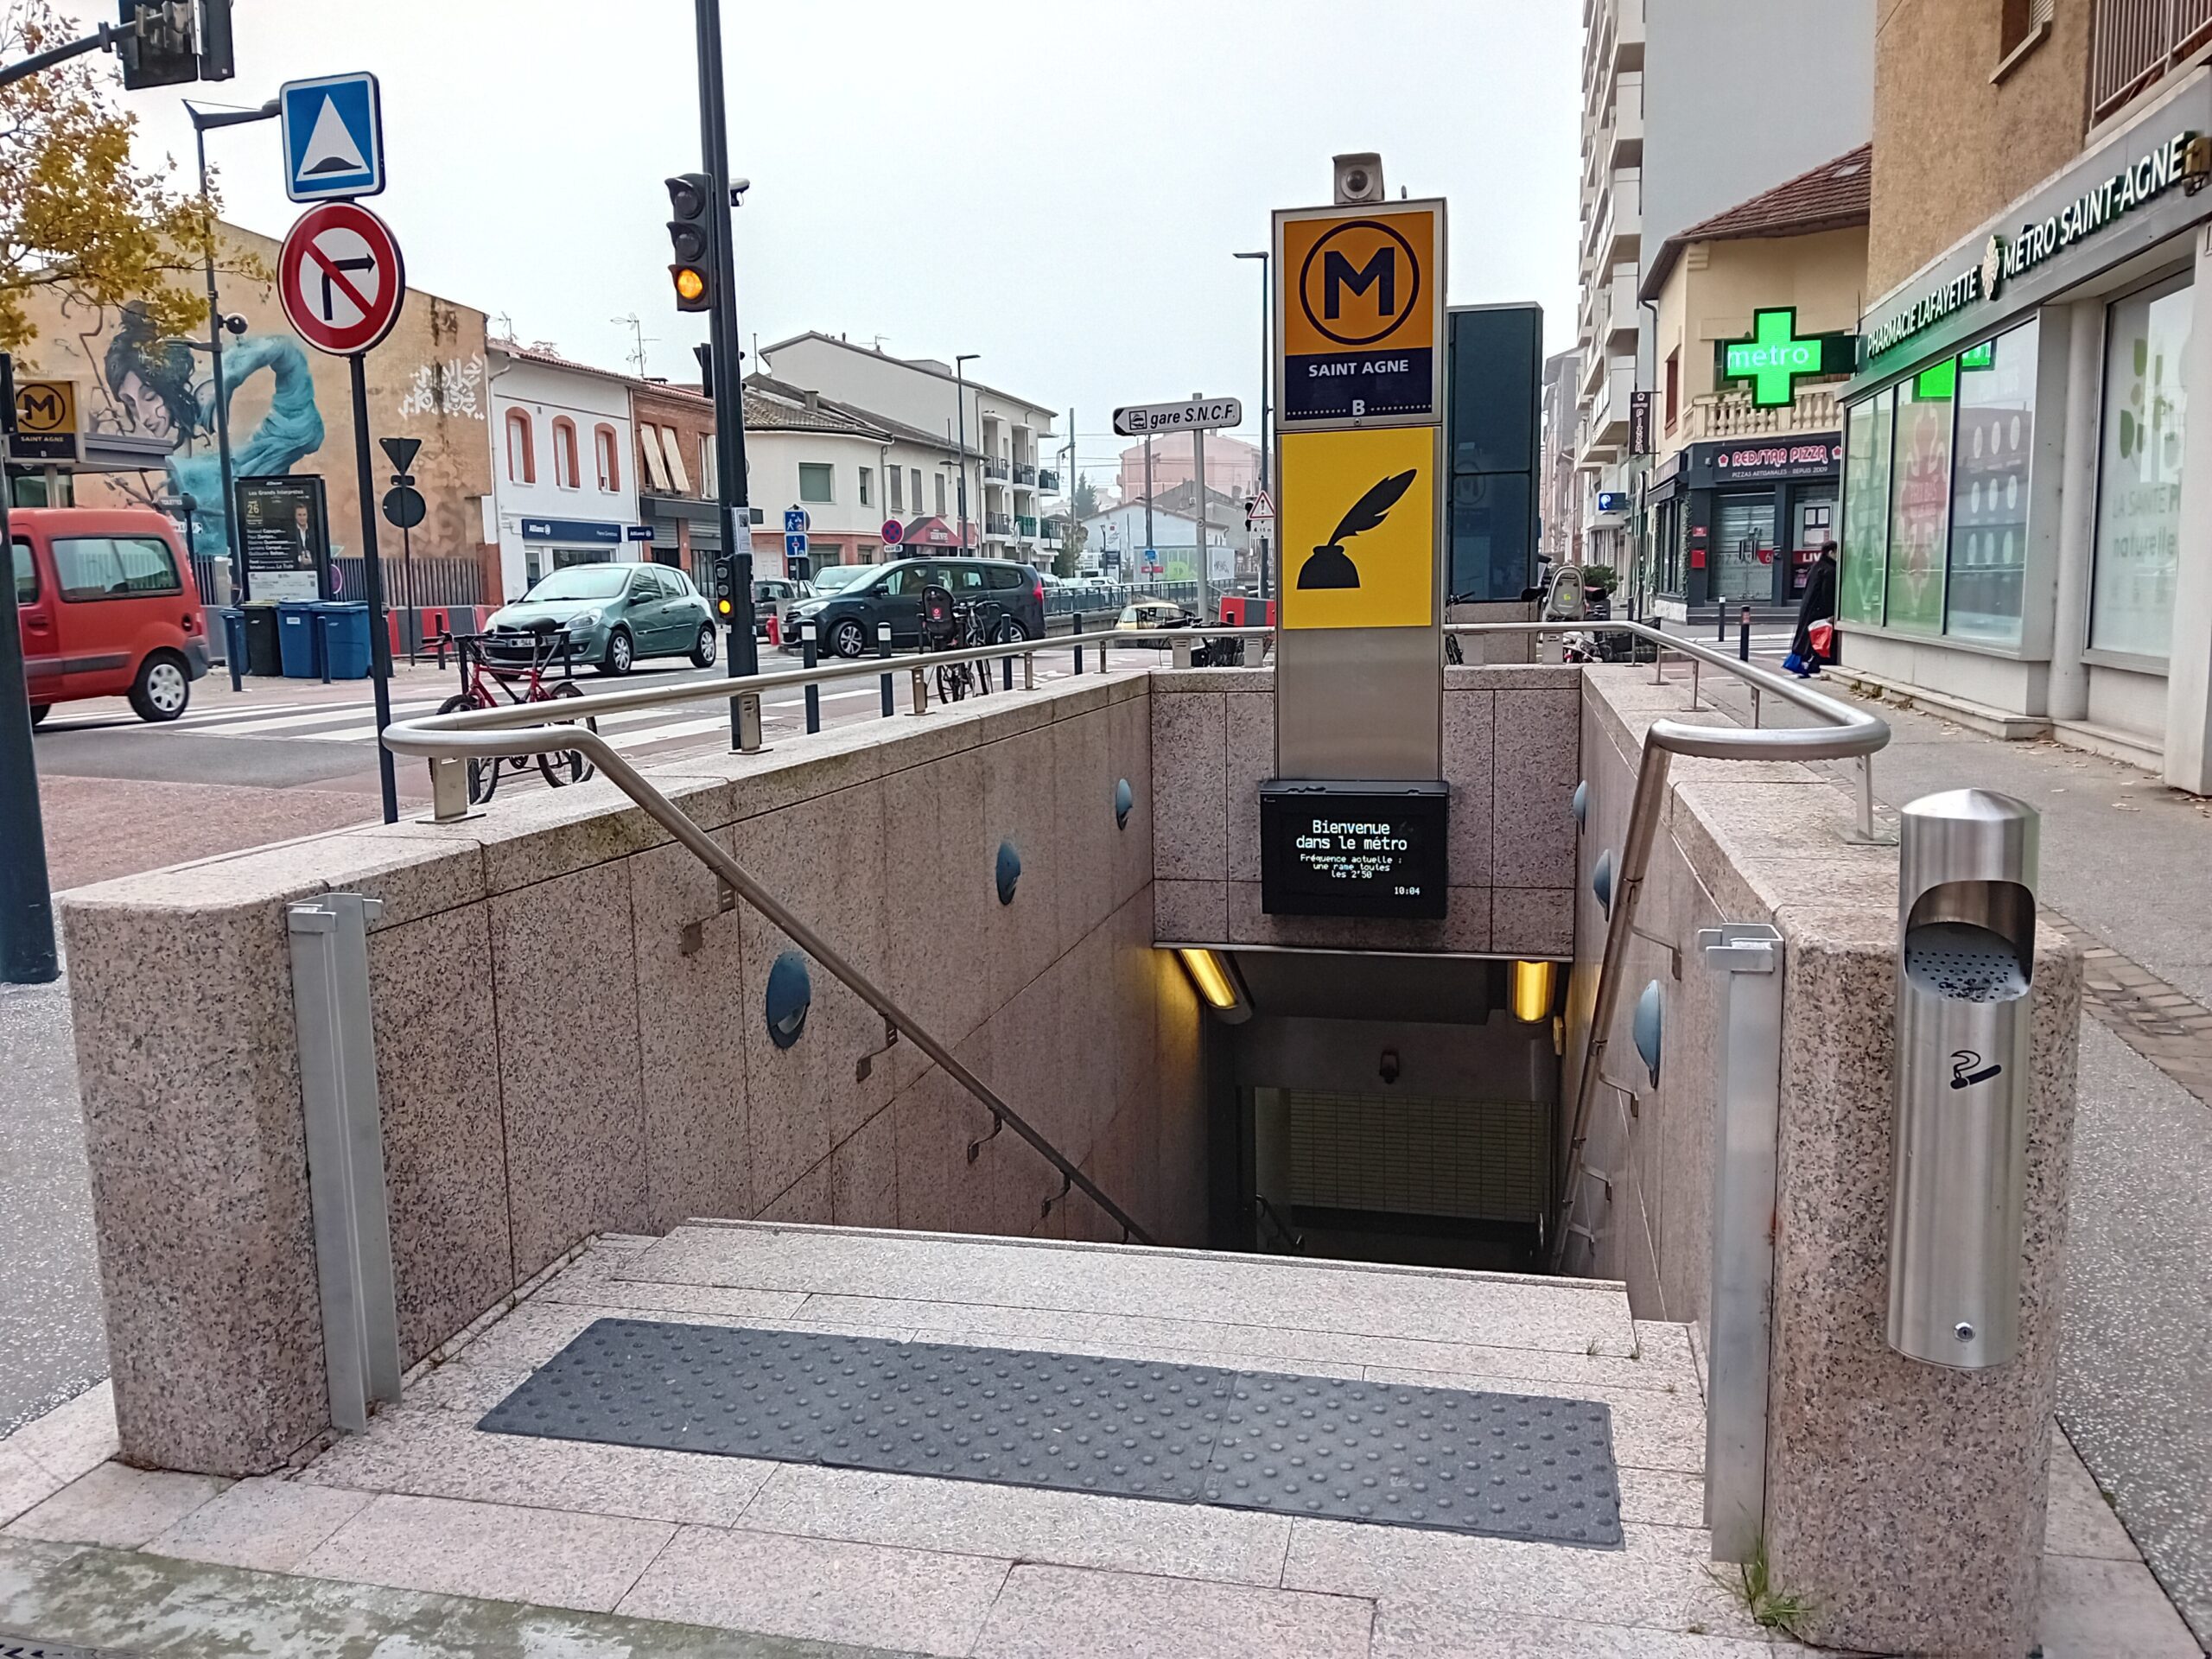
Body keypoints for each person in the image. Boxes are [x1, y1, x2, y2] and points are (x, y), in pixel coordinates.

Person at [1788, 538, 1838, 677]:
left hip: (1809, 609)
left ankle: (1806, 662)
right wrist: (1832, 613)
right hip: (1820, 611)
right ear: (1831, 552)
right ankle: (1813, 663)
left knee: (1807, 638)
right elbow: (1827, 594)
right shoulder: (1830, 570)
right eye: (1837, 552)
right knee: (1819, 639)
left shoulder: (1816, 567)